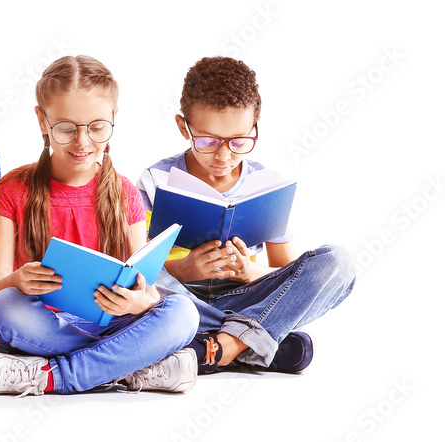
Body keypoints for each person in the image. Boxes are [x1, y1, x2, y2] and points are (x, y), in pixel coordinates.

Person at [0, 55, 199, 396]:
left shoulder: (124, 194)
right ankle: (131, 366)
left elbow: (146, 289)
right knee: (4, 308)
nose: (82, 143)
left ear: (113, 119)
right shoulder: (12, 189)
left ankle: (48, 376)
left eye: (96, 127)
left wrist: (137, 304)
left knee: (183, 312)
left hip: (114, 322)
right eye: (66, 128)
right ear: (42, 120)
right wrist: (18, 279)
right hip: (45, 324)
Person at [136, 56, 355, 374]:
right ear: (183, 126)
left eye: (239, 141)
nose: (224, 155)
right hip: (181, 296)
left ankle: (219, 346)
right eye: (208, 141)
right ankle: (255, 341)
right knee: (140, 280)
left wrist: (248, 271)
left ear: (256, 125)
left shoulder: (266, 184)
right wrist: (187, 267)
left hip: (247, 296)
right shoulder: (155, 179)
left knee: (338, 263)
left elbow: (287, 272)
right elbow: (140, 267)